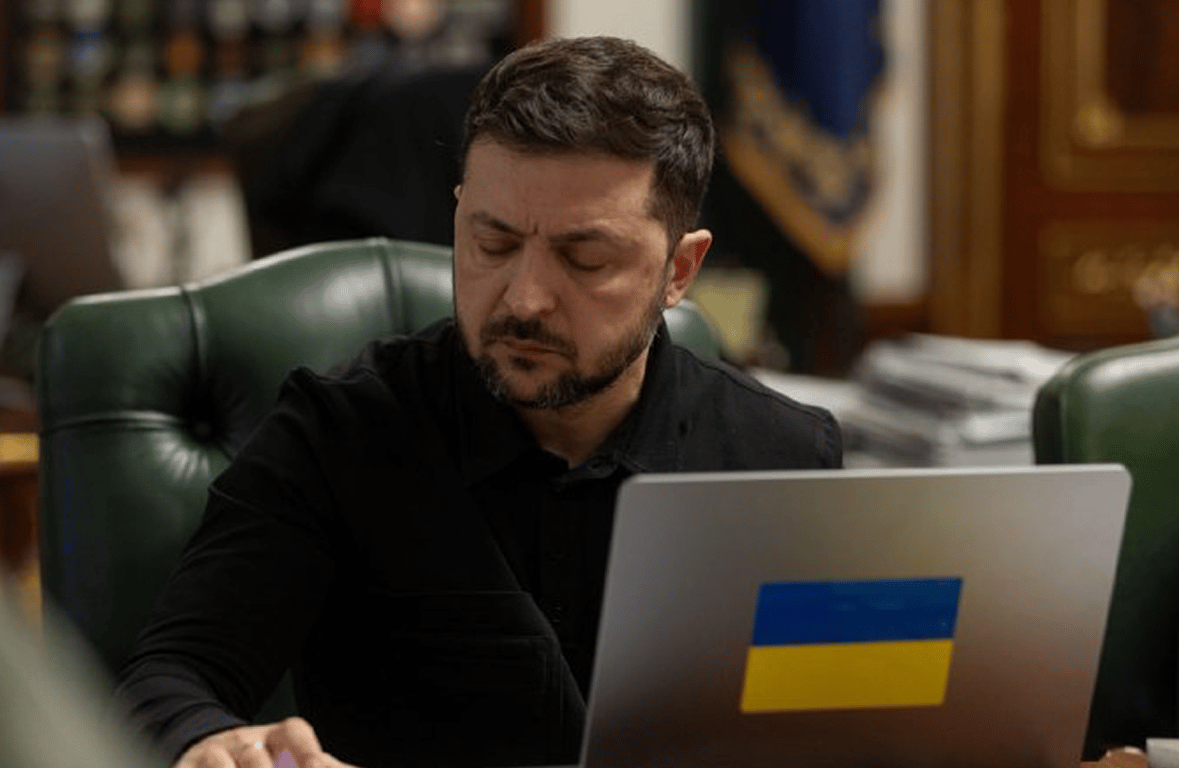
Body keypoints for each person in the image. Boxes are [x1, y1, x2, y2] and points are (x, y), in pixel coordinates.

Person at [117, 35, 843, 768]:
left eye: (584, 260)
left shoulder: (778, 457)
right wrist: (214, 743)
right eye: (493, 244)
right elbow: (169, 679)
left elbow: (835, 729)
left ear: (679, 270)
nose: (523, 299)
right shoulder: (340, 432)